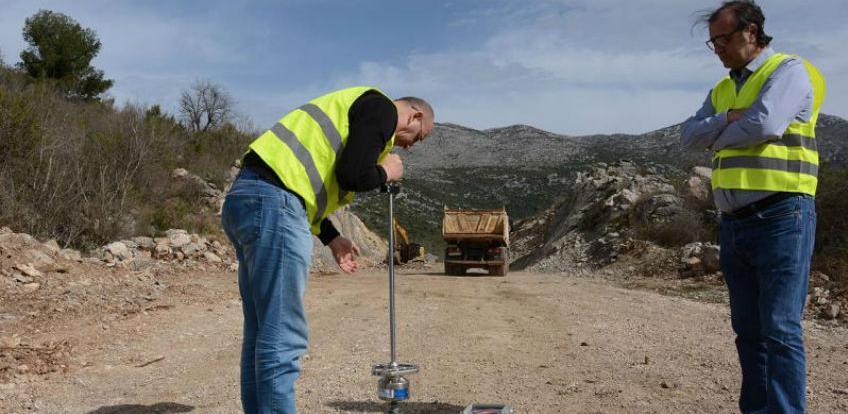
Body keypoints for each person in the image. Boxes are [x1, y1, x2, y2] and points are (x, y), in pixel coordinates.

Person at [221, 87, 434, 414]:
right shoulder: (383, 110)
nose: (410, 145)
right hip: (274, 204)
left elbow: (304, 182)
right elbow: (352, 174)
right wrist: (387, 172)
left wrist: (332, 236)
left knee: (262, 333)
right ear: (415, 116)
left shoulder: (355, 107)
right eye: (418, 137)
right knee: (282, 338)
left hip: (249, 198)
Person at [681, 1, 825, 412]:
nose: (718, 49)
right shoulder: (724, 90)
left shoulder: (787, 70)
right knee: (748, 330)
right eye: (713, 43)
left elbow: (765, 125)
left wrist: (718, 133)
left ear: (752, 30)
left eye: (723, 39)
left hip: (782, 215)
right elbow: (687, 137)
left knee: (779, 330)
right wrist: (727, 118)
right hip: (734, 223)